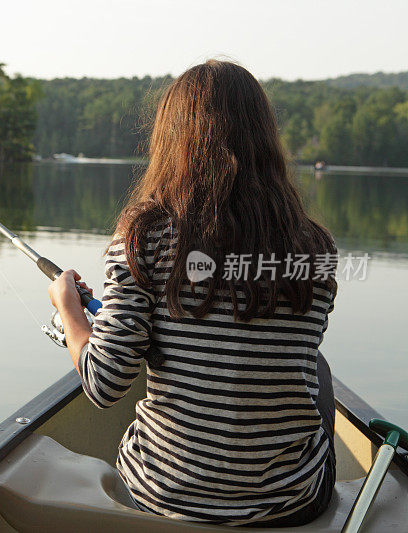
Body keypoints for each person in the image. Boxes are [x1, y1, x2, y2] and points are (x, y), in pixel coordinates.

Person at [48, 60, 338, 527]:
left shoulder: (144, 236)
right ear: (266, 138)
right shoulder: (315, 247)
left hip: (163, 497)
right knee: (319, 370)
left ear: (172, 140)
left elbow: (104, 385)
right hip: (287, 506)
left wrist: (70, 311)